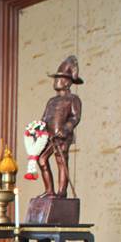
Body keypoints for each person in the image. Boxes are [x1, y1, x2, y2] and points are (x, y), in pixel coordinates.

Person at [39, 55, 83, 198]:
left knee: (61, 160)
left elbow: (75, 117)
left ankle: (62, 191)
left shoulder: (73, 99)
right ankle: (49, 190)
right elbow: (45, 118)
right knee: (42, 159)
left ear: (66, 82)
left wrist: (66, 129)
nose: (55, 82)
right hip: (49, 136)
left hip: (62, 136)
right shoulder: (51, 101)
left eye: (58, 79)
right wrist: (37, 129)